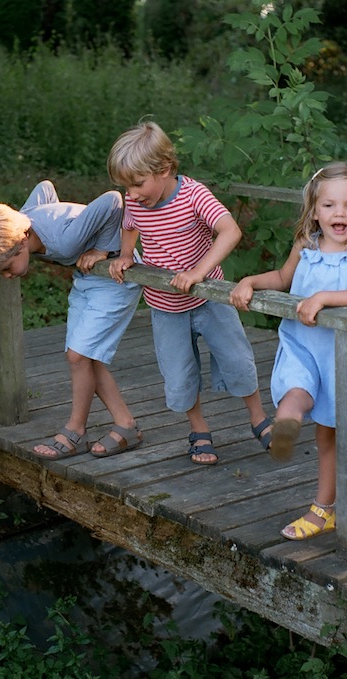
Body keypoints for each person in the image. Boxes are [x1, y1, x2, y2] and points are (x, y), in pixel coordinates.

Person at [229, 161, 347, 540]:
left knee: (328, 436)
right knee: (295, 394)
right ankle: (286, 422)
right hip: (302, 343)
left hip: (342, 356)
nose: (339, 214)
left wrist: (323, 297)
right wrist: (250, 280)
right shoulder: (306, 245)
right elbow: (282, 279)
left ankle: (323, 510)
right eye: (329, 205)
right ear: (315, 209)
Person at [107, 120, 273, 465]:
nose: (132, 194)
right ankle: (199, 430)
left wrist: (198, 271)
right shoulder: (135, 200)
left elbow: (230, 231)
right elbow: (129, 225)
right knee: (179, 372)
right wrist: (125, 255)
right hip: (165, 306)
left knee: (237, 359)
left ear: (165, 169)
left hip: (209, 299)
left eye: (138, 184)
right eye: (127, 187)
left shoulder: (194, 195)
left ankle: (258, 419)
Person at [0, 180, 143, 459]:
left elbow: (113, 201)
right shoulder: (26, 218)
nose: (7, 276)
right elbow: (45, 188)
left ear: (22, 242)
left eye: (6, 268)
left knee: (77, 357)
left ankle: (76, 431)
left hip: (115, 276)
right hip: (87, 279)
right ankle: (126, 425)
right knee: (84, 358)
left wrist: (104, 250)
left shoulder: (62, 240)